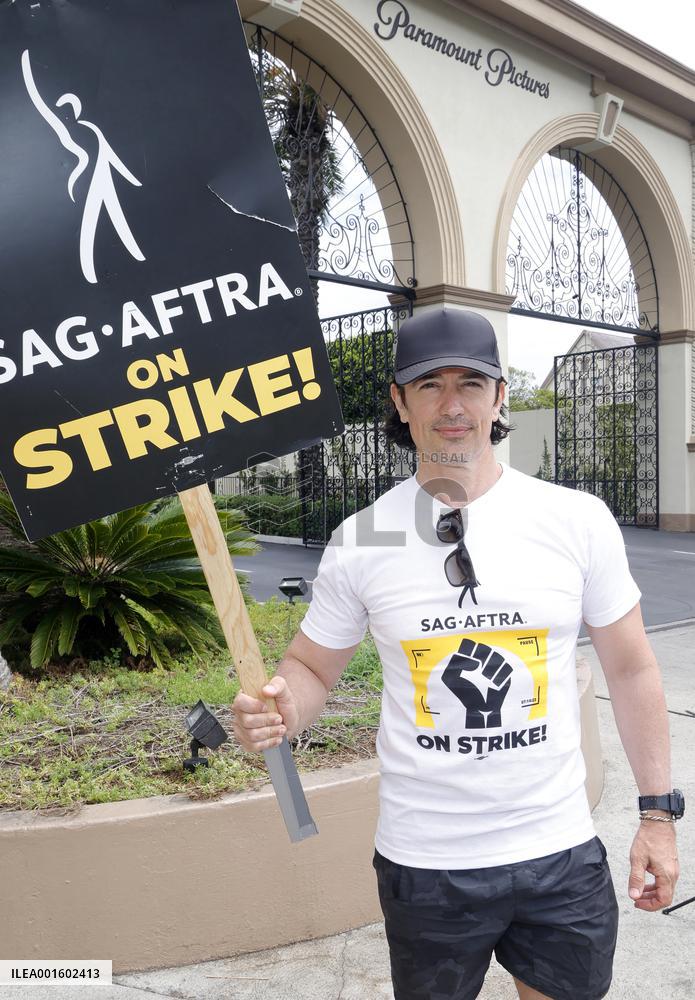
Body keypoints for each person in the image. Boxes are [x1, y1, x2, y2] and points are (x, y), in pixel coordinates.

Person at [232, 308, 681, 1000]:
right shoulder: (364, 538)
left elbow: (631, 668)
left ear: (500, 396)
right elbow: (313, 668)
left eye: (470, 383)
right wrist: (281, 709)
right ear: (399, 402)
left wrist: (657, 817)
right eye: (429, 385)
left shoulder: (573, 520)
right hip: (427, 863)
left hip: (558, 851)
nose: (451, 405)